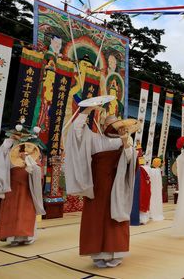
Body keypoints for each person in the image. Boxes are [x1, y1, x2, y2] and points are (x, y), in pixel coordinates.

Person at [64, 106, 135, 268]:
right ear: (102, 126)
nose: (112, 126)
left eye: (116, 124)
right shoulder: (94, 138)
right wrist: (86, 112)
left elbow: (131, 163)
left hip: (117, 186)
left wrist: (125, 143)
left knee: (115, 218)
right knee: (95, 219)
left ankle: (115, 253)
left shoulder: (125, 140)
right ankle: (98, 254)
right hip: (96, 185)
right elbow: (76, 132)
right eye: (108, 124)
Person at [0, 137, 45, 245]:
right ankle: (11, 237)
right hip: (12, 186)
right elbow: (2, 156)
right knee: (11, 211)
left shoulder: (32, 155)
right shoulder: (9, 154)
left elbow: (38, 170)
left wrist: (28, 161)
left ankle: (27, 236)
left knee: (26, 211)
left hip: (27, 187)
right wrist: (9, 140)